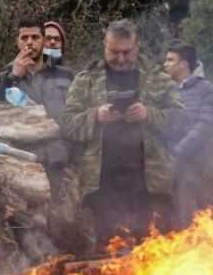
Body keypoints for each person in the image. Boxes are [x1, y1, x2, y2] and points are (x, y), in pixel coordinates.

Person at [61, 19, 184, 247]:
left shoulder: (158, 77)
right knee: (106, 252)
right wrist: (95, 116)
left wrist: (149, 114)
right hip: (101, 185)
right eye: (114, 52)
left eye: (126, 52)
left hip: (149, 184)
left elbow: (181, 121)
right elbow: (67, 124)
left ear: (137, 47)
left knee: (151, 252)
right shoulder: (85, 80)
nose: (120, 58)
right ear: (104, 46)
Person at [161, 43, 213, 226]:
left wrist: (179, 151)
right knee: (165, 219)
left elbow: (206, 126)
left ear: (183, 64)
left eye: (170, 60)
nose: (165, 64)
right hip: (165, 165)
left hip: (193, 165)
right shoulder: (165, 90)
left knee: (189, 215)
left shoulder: (206, 89)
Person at [0, 18, 75, 120]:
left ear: (44, 41)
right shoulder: (2, 77)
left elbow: (77, 111)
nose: (29, 42)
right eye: (24, 38)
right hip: (20, 134)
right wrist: (13, 77)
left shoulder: (65, 75)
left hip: (58, 134)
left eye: (35, 37)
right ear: (17, 42)